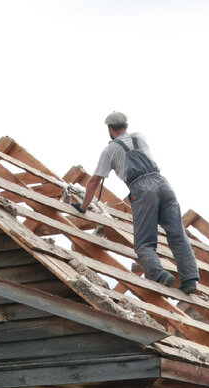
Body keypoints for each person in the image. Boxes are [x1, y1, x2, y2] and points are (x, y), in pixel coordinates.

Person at [71, 112, 200, 294]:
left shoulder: (110, 150)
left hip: (142, 188)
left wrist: (83, 207)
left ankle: (160, 274)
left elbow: (94, 181)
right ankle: (190, 279)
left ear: (109, 128)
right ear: (126, 125)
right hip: (163, 184)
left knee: (143, 244)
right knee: (177, 234)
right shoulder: (140, 137)